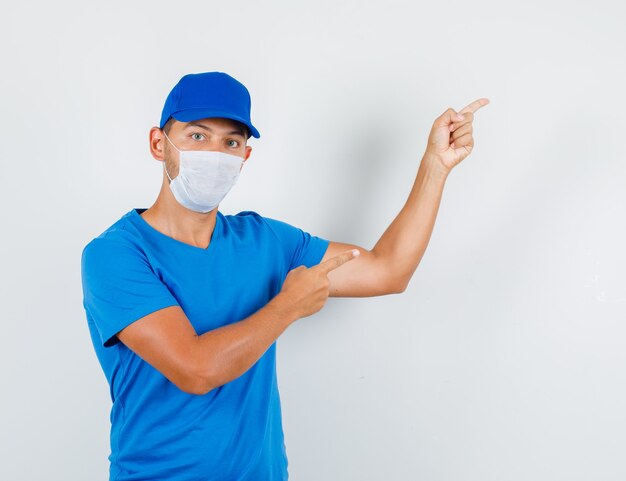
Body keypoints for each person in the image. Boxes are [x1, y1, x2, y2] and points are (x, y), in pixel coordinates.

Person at [80, 71, 488, 481]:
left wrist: (435, 167)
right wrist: (289, 305)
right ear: (158, 143)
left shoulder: (265, 241)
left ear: (245, 157)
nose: (215, 153)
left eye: (231, 142)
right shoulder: (116, 254)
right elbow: (195, 369)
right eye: (197, 136)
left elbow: (388, 271)